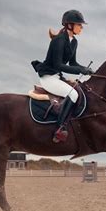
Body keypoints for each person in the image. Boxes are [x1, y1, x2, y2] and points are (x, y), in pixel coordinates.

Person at [31, 10, 94, 143]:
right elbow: (58, 65)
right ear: (69, 25)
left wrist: (85, 69)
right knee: (73, 95)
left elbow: (73, 63)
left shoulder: (74, 42)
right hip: (48, 77)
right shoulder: (58, 41)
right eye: (79, 24)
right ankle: (60, 128)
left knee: (79, 92)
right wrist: (79, 70)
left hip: (57, 77)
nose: (81, 27)